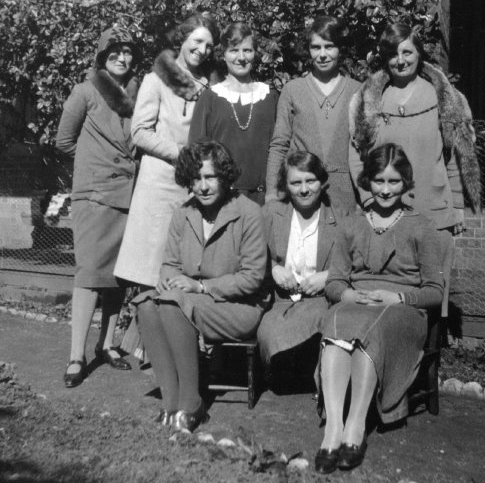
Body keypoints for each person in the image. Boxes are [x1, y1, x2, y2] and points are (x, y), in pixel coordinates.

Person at [314, 144, 452, 473]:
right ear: (367, 182)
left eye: (393, 182)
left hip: (402, 311)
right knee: (335, 332)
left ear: (405, 183)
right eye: (378, 181)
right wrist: (348, 296)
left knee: (369, 336)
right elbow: (334, 282)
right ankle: (333, 429)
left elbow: (435, 291)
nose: (386, 190)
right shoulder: (351, 224)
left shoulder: (421, 227)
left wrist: (400, 299)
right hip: (357, 303)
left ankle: (355, 428)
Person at [348, 22, 481, 322]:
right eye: (393, 53)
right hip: (384, 213)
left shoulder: (445, 99)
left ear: (420, 54)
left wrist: (457, 206)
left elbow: (458, 157)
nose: (401, 60)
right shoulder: (369, 99)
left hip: (433, 211)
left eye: (407, 51)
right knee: (388, 299)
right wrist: (370, 199)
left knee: (430, 300)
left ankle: (428, 367)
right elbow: (357, 156)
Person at [133, 141, 269, 432]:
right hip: (192, 302)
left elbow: (253, 277)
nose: (203, 186)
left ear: (225, 176)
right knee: (145, 303)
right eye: (196, 178)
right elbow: (169, 263)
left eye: (210, 177)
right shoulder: (184, 213)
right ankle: (171, 404)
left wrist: (199, 287)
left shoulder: (249, 213)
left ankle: (192, 403)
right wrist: (168, 279)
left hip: (238, 307)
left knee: (173, 304)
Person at [55, 27, 141, 387]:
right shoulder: (85, 90)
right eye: (115, 51)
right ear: (102, 54)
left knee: (116, 277)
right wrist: (95, 164)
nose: (123, 58)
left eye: (128, 52)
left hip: (129, 194)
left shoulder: (139, 93)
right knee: (89, 274)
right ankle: (77, 356)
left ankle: (106, 345)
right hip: (93, 196)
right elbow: (63, 141)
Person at [114, 14, 219, 288]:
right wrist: (180, 152)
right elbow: (139, 132)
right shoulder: (156, 78)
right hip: (160, 185)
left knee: (184, 272)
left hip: (195, 185)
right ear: (182, 39)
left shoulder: (211, 85)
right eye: (197, 41)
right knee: (151, 273)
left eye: (209, 45)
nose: (202, 50)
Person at [257, 151, 345, 378]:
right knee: (270, 334)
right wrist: (273, 269)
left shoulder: (340, 216)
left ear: (322, 182)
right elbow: (247, 255)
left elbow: (353, 263)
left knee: (323, 321)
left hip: (321, 300)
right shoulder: (270, 214)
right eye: (296, 183)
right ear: (285, 185)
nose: (304, 189)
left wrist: (327, 276)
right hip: (280, 301)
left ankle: (319, 374)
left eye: (310, 181)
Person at [266, 16, 361, 212]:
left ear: (340, 48)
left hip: (345, 196)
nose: (323, 54)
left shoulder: (357, 91)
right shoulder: (293, 90)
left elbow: (365, 149)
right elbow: (279, 145)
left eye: (330, 46)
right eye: (316, 47)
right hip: (301, 193)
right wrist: (272, 193)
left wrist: (365, 196)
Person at [189, 22, 278, 205]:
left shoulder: (271, 96)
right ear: (223, 55)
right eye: (234, 50)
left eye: (247, 50)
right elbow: (196, 153)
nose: (241, 57)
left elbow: (283, 148)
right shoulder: (210, 98)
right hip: (221, 200)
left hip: (265, 199)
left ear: (255, 53)